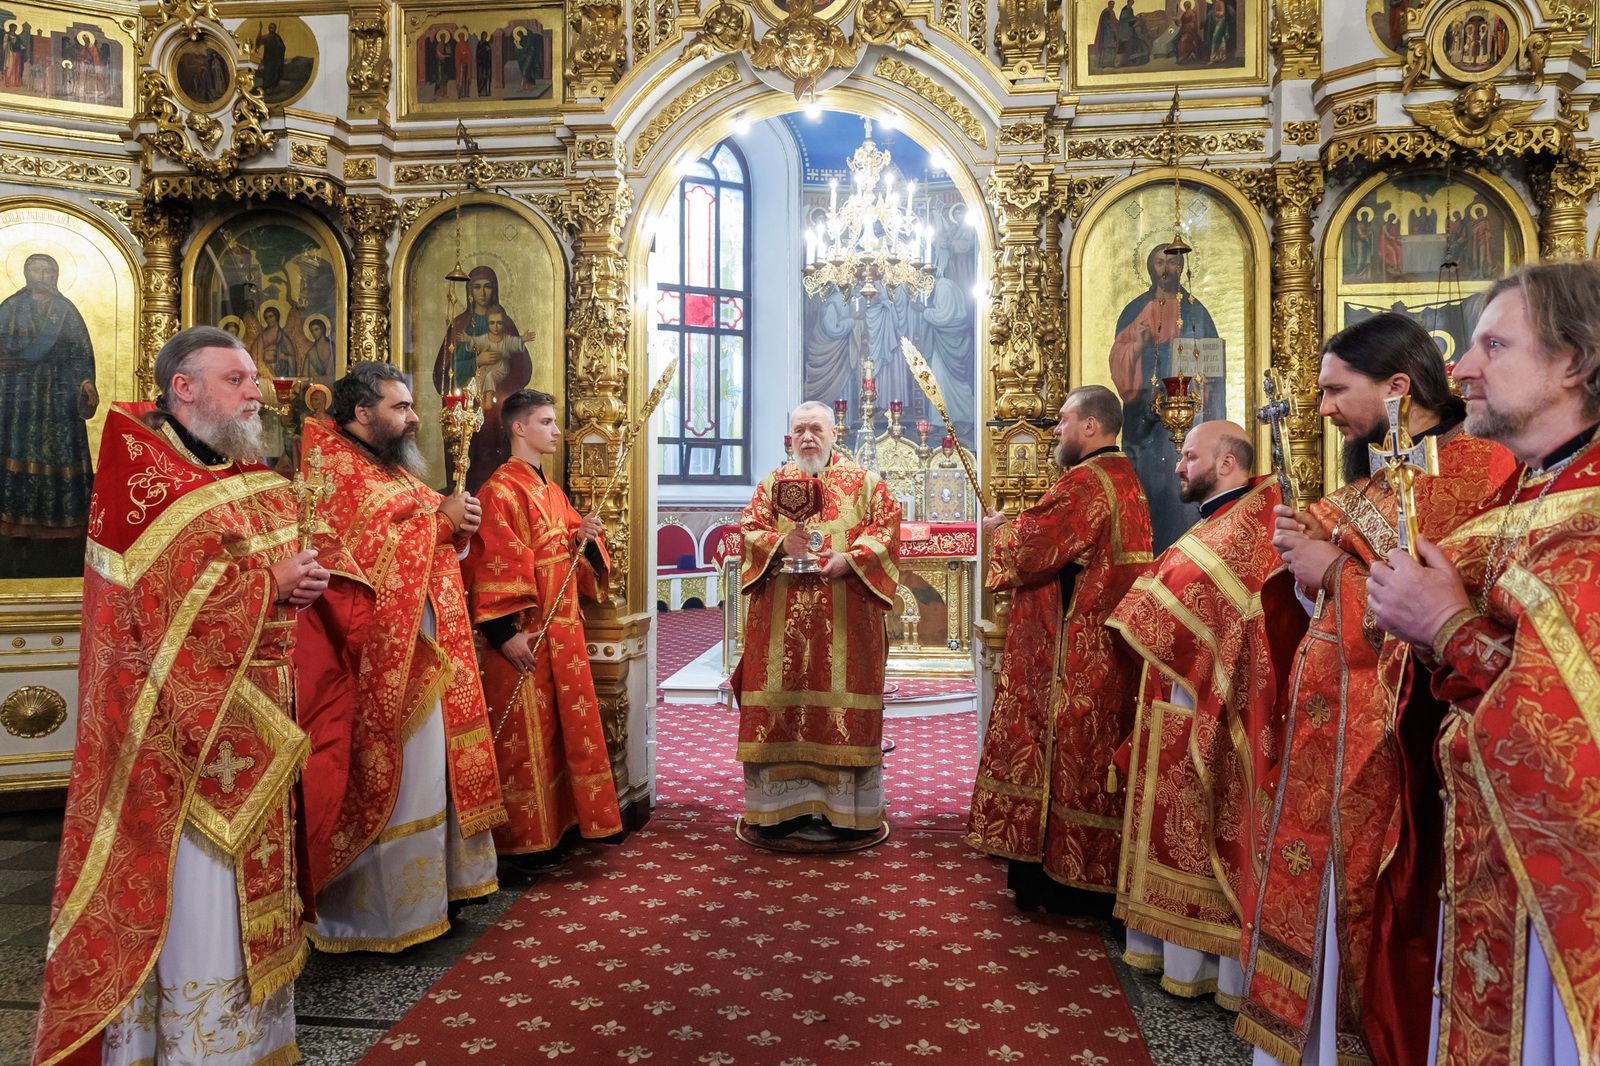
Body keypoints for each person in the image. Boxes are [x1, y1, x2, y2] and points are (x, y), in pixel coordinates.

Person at [32, 326, 330, 1066]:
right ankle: (198, 1050)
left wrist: (294, 586)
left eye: (254, 378)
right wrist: (272, 584)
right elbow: (150, 615)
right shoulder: (143, 479)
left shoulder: (234, 476)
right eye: (237, 379)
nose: (256, 391)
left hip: (254, 720)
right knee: (199, 898)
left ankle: (256, 1044)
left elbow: (253, 576)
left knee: (246, 898)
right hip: (173, 738)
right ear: (183, 388)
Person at [1236, 313, 1514, 1066]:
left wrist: (1333, 572)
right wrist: (1302, 571)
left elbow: (1448, 602)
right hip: (1333, 726)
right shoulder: (1386, 475)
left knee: (1377, 908)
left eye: (1335, 390)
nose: (1323, 408)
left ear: (1398, 387)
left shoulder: (1476, 470)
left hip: (1392, 741)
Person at [1365, 262, 1600, 1066]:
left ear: (1574, 361)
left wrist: (1446, 623)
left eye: (1493, 346)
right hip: (1491, 870)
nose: (1460, 369)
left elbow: (1575, 726)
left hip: (1567, 901)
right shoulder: (1532, 491)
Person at [293, 360, 506, 954]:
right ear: (362, 413)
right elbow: (353, 560)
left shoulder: (386, 466)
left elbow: (422, 532)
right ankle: (379, 917)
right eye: (401, 407)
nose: (414, 419)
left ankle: (432, 895)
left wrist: (452, 526)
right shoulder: (330, 470)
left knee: (428, 774)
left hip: (431, 645)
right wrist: (436, 524)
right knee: (399, 776)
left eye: (412, 406)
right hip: (381, 659)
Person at [1107, 420, 1306, 1010]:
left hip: (1215, 711)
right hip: (1184, 702)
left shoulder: (1253, 522)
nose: (1177, 465)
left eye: (1189, 455)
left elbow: (1195, 593)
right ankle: (1174, 956)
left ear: (1226, 464)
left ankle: (1218, 972)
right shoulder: (1230, 519)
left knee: (1212, 817)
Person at [967, 385, 1154, 908]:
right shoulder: (1125, 478)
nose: (1056, 430)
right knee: (1091, 760)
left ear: (1091, 426)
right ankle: (1082, 871)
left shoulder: (1087, 482)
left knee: (1063, 754)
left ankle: (1056, 880)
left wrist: (1001, 531)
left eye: (1064, 420)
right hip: (1104, 647)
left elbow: (1033, 553)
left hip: (1071, 655)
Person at [463, 389, 622, 871]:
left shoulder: (551, 490)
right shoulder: (499, 490)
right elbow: (492, 567)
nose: (557, 431)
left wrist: (584, 538)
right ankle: (521, 842)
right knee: (523, 739)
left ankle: (559, 829)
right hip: (525, 636)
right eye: (547, 422)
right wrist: (503, 635)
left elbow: (581, 559)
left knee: (558, 734)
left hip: (564, 635)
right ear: (519, 428)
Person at [730, 400, 901, 839]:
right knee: (781, 709)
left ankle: (847, 811)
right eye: (800, 430)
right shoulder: (773, 485)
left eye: (816, 429)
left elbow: (887, 530)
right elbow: (747, 529)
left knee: (840, 710)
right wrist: (778, 543)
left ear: (833, 433)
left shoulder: (866, 484)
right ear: (791, 436)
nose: (808, 437)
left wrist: (852, 558)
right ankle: (779, 810)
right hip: (779, 628)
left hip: (845, 622)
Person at [1108, 241, 1222, 551]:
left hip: (1190, 419)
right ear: (1149, 267)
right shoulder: (1135, 310)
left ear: (1182, 267)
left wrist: (1206, 390)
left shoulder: (1196, 310)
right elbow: (1119, 358)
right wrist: (1137, 345)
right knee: (1151, 487)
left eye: (1172, 262)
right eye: (1160, 262)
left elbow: (1212, 364)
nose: (1166, 269)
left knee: (1182, 493)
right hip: (1146, 421)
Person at [0, 253, 97, 578]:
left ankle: (63, 528)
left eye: (48, 270)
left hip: (58, 400)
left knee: (57, 454)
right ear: (26, 273)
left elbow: (81, 351)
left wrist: (85, 383)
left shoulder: (65, 311)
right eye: (36, 270)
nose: (42, 275)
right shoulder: (10, 308)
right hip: (18, 400)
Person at [432, 265, 532, 492]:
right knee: (467, 460)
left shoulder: (504, 323)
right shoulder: (459, 325)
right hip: (464, 410)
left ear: (495, 289)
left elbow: (523, 369)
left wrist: (502, 390)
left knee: (495, 461)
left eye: (488, 287)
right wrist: (477, 362)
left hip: (496, 414)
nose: (482, 292)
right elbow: (443, 374)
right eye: (477, 287)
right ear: (469, 291)